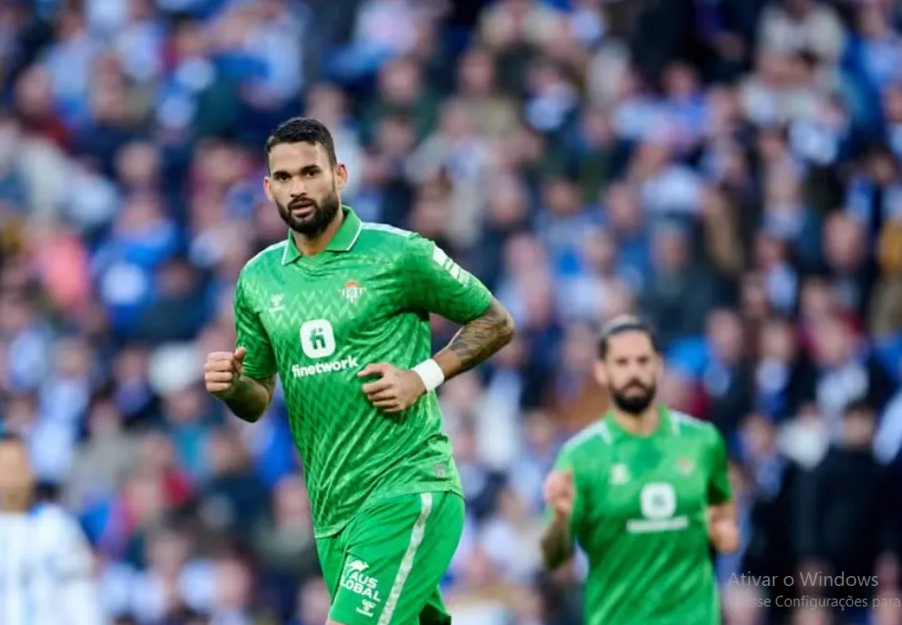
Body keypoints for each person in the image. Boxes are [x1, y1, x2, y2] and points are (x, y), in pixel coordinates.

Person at [203, 117, 515, 625]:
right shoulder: (257, 279)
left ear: (340, 175)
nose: (298, 188)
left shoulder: (396, 253)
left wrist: (422, 377)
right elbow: (257, 397)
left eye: (310, 172)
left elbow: (495, 320)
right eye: (284, 178)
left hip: (407, 488)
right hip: (333, 515)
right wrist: (233, 386)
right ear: (268, 188)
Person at [540, 315, 740, 625]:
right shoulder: (580, 456)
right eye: (621, 362)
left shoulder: (702, 442)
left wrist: (723, 532)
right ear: (602, 372)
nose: (634, 372)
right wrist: (560, 521)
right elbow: (553, 560)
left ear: (658, 366)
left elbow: (726, 525)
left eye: (642, 360)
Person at [0, 433, 104, 625]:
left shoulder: (57, 526)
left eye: (16, 466)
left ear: (32, 471)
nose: (10, 477)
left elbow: (81, 598)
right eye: (2, 467)